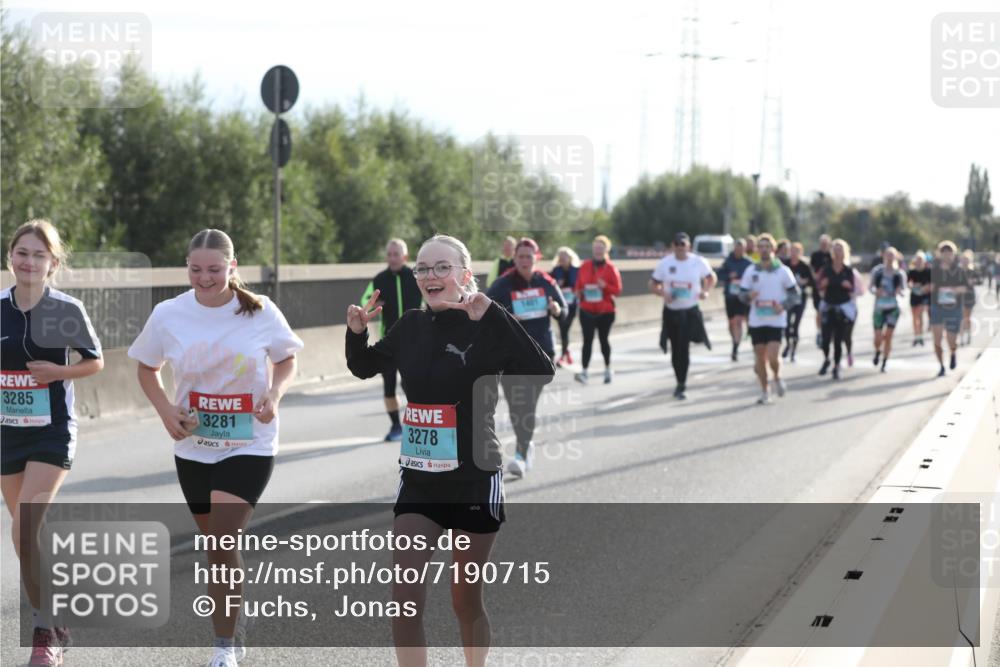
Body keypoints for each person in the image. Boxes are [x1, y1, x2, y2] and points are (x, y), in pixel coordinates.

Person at [345, 234, 554, 667]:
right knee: (403, 600)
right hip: (420, 480)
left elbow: (540, 370)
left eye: (442, 267)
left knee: (465, 601)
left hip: (475, 479)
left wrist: (495, 315)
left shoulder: (487, 324)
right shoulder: (410, 327)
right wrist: (356, 333)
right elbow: (363, 366)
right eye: (423, 268)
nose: (430, 276)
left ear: (465, 275)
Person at [129, 229, 303, 667]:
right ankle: (235, 616)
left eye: (214, 269)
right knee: (215, 547)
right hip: (194, 444)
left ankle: (225, 647)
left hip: (250, 441)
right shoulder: (169, 313)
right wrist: (166, 411)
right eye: (195, 269)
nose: (204, 278)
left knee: (223, 540)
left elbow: (286, 358)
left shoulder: (260, 311)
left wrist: (275, 393)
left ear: (232, 267)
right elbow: (146, 368)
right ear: (186, 266)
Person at [1, 220, 103, 667]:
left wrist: (57, 372)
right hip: (7, 433)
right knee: (29, 539)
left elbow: (94, 362)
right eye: (22, 252)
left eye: (38, 255)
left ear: (53, 264)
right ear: (10, 257)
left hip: (51, 432)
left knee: (24, 527)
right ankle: (56, 614)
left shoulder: (66, 308)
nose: (29, 261)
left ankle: (45, 636)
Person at [486, 237, 566, 478]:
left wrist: (556, 310)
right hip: (510, 354)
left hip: (540, 352)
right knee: (515, 406)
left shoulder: (546, 282)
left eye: (529, 257)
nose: (524, 260)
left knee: (527, 404)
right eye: (520, 256)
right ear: (515, 258)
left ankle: (521, 454)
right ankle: (526, 444)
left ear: (536, 258)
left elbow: (565, 309)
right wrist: (508, 317)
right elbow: (485, 313)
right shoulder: (503, 284)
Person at [361, 239, 423, 441]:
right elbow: (365, 302)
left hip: (415, 340)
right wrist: (373, 305)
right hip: (390, 340)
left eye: (396, 254)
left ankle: (417, 423)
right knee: (389, 386)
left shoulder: (416, 276)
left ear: (405, 257)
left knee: (411, 384)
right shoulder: (379, 279)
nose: (392, 258)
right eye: (389, 254)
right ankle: (396, 426)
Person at [650, 232, 717, 399]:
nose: (680, 248)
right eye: (677, 244)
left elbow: (711, 278)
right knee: (675, 348)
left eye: (683, 244)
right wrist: (662, 294)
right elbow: (653, 284)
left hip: (690, 310)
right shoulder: (665, 263)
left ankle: (682, 384)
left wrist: (706, 292)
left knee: (684, 347)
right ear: (672, 246)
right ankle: (679, 380)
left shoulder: (698, 262)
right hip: (672, 311)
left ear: (689, 246)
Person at [738, 234, 799, 404]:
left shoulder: (783, 271)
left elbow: (795, 295)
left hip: (776, 320)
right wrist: (748, 295)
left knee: (773, 356)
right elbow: (741, 295)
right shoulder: (751, 271)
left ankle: (777, 377)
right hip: (757, 320)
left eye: (767, 247)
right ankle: (765, 391)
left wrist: (783, 305)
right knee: (760, 358)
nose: (764, 250)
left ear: (773, 250)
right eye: (761, 247)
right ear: (757, 250)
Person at [573, 235, 622, 384]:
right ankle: (584, 372)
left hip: (605, 311)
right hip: (586, 309)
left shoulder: (611, 268)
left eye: (601, 248)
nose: (598, 251)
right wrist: (579, 292)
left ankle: (607, 369)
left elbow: (618, 290)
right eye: (596, 248)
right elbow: (578, 285)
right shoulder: (585, 266)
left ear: (606, 250)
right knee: (587, 341)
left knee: (603, 340)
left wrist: (605, 286)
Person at [929, 241, 971, 376]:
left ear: (953, 254)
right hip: (937, 307)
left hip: (954, 308)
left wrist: (953, 289)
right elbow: (928, 286)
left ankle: (953, 353)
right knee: (937, 339)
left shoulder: (959, 270)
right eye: (944, 252)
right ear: (940, 254)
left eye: (949, 253)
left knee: (951, 339)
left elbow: (965, 287)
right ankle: (941, 366)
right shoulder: (934, 269)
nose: (946, 255)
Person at [816, 239, 856, 380]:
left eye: (840, 249)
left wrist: (848, 286)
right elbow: (818, 285)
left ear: (844, 252)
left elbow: (853, 288)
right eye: (836, 249)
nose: (838, 252)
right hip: (829, 306)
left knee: (839, 340)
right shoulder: (826, 269)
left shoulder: (848, 270)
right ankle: (827, 358)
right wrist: (823, 285)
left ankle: (837, 366)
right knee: (826, 339)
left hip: (843, 308)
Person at [870, 247, 908, 372]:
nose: (890, 257)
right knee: (878, 337)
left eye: (892, 255)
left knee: (888, 336)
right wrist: (877, 291)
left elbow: (904, 290)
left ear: (896, 257)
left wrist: (899, 292)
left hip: (893, 308)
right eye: (888, 255)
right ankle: (877, 350)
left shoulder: (899, 273)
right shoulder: (877, 271)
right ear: (884, 256)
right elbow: (870, 288)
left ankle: (885, 362)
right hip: (879, 308)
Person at [719, 238, 753, 361]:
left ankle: (735, 348)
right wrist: (729, 276)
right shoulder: (728, 261)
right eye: (737, 248)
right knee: (731, 322)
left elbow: (754, 278)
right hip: (730, 296)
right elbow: (719, 275)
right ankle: (734, 340)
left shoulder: (749, 263)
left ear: (744, 249)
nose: (738, 250)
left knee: (738, 321)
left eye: (741, 248)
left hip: (742, 297)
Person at [783, 242, 817, 362]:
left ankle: (793, 351)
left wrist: (805, 282)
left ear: (800, 253)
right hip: (787, 299)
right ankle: (787, 344)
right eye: (792, 251)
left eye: (796, 251)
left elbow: (813, 282)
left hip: (800, 299)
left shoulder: (804, 266)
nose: (794, 253)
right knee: (786, 324)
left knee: (796, 325)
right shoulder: (785, 265)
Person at [550, 247, 580, 366]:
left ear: (570, 258)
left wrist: (576, 289)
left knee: (565, 329)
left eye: (564, 257)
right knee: (563, 329)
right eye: (560, 257)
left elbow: (580, 284)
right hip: (561, 305)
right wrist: (558, 284)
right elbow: (550, 284)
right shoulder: (555, 270)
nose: (562, 259)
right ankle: (564, 354)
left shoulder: (577, 270)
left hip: (572, 304)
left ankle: (564, 353)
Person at [810, 234, 833, 346]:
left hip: (830, 287)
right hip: (818, 287)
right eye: (822, 243)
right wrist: (819, 280)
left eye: (826, 243)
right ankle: (819, 331)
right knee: (819, 310)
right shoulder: (815, 255)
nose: (824, 245)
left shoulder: (832, 255)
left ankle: (831, 331)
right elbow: (813, 271)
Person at [907, 251, 931, 346]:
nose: (919, 261)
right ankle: (916, 335)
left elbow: (931, 284)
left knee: (920, 315)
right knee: (914, 316)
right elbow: (908, 283)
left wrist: (924, 288)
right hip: (914, 296)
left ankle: (920, 335)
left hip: (924, 296)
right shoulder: (911, 271)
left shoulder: (928, 271)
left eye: (920, 260)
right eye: (917, 260)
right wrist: (913, 286)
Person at [959, 250, 977, 346]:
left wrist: (971, 282)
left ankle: (968, 334)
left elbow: (976, 281)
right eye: (963, 260)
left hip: (970, 296)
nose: (965, 262)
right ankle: (961, 337)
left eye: (966, 260)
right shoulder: (959, 271)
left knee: (967, 317)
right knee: (962, 317)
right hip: (961, 297)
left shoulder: (972, 271)